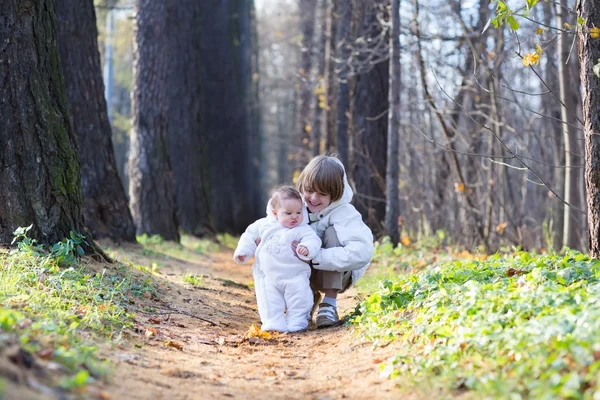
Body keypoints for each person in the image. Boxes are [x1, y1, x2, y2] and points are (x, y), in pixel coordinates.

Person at [295, 155, 374, 328]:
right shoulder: (295, 206)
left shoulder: (345, 213)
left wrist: (317, 256)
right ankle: (305, 298)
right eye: (309, 190)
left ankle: (329, 304)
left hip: (338, 275)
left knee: (332, 233)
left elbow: (362, 252)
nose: (314, 198)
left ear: (335, 193)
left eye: (322, 194)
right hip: (305, 273)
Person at [233, 186, 322, 332]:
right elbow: (249, 235)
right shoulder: (264, 225)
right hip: (269, 276)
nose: (295, 216)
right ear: (275, 213)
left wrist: (307, 248)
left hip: (295, 274)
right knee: (269, 301)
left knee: (300, 299)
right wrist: (244, 251)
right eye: (288, 213)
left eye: (299, 212)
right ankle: (273, 323)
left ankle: (297, 322)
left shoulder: (302, 229)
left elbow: (313, 240)